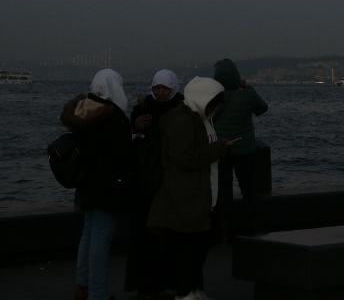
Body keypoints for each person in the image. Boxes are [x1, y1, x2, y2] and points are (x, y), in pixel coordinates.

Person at [147, 76, 233, 300]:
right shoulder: (183, 121)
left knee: (194, 248)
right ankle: (186, 292)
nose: (217, 107)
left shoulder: (198, 118)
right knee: (188, 249)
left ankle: (193, 289)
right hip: (185, 195)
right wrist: (219, 149)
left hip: (196, 195)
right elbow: (186, 158)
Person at [60, 69, 132, 300]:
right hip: (108, 187)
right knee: (101, 240)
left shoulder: (83, 110)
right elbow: (121, 151)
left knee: (88, 236)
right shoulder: (114, 115)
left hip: (86, 184)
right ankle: (98, 295)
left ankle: (83, 287)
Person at [125, 69, 184, 300]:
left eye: (164, 88)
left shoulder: (179, 109)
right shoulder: (144, 109)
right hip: (149, 181)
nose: (159, 92)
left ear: (172, 88)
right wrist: (136, 128)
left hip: (165, 181)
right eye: (157, 88)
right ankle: (149, 282)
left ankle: (164, 281)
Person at [212, 58, 268, 237]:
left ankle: (223, 232)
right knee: (249, 190)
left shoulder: (213, 98)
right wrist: (248, 88)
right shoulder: (246, 93)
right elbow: (262, 109)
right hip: (244, 149)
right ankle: (256, 229)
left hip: (221, 149)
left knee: (223, 192)